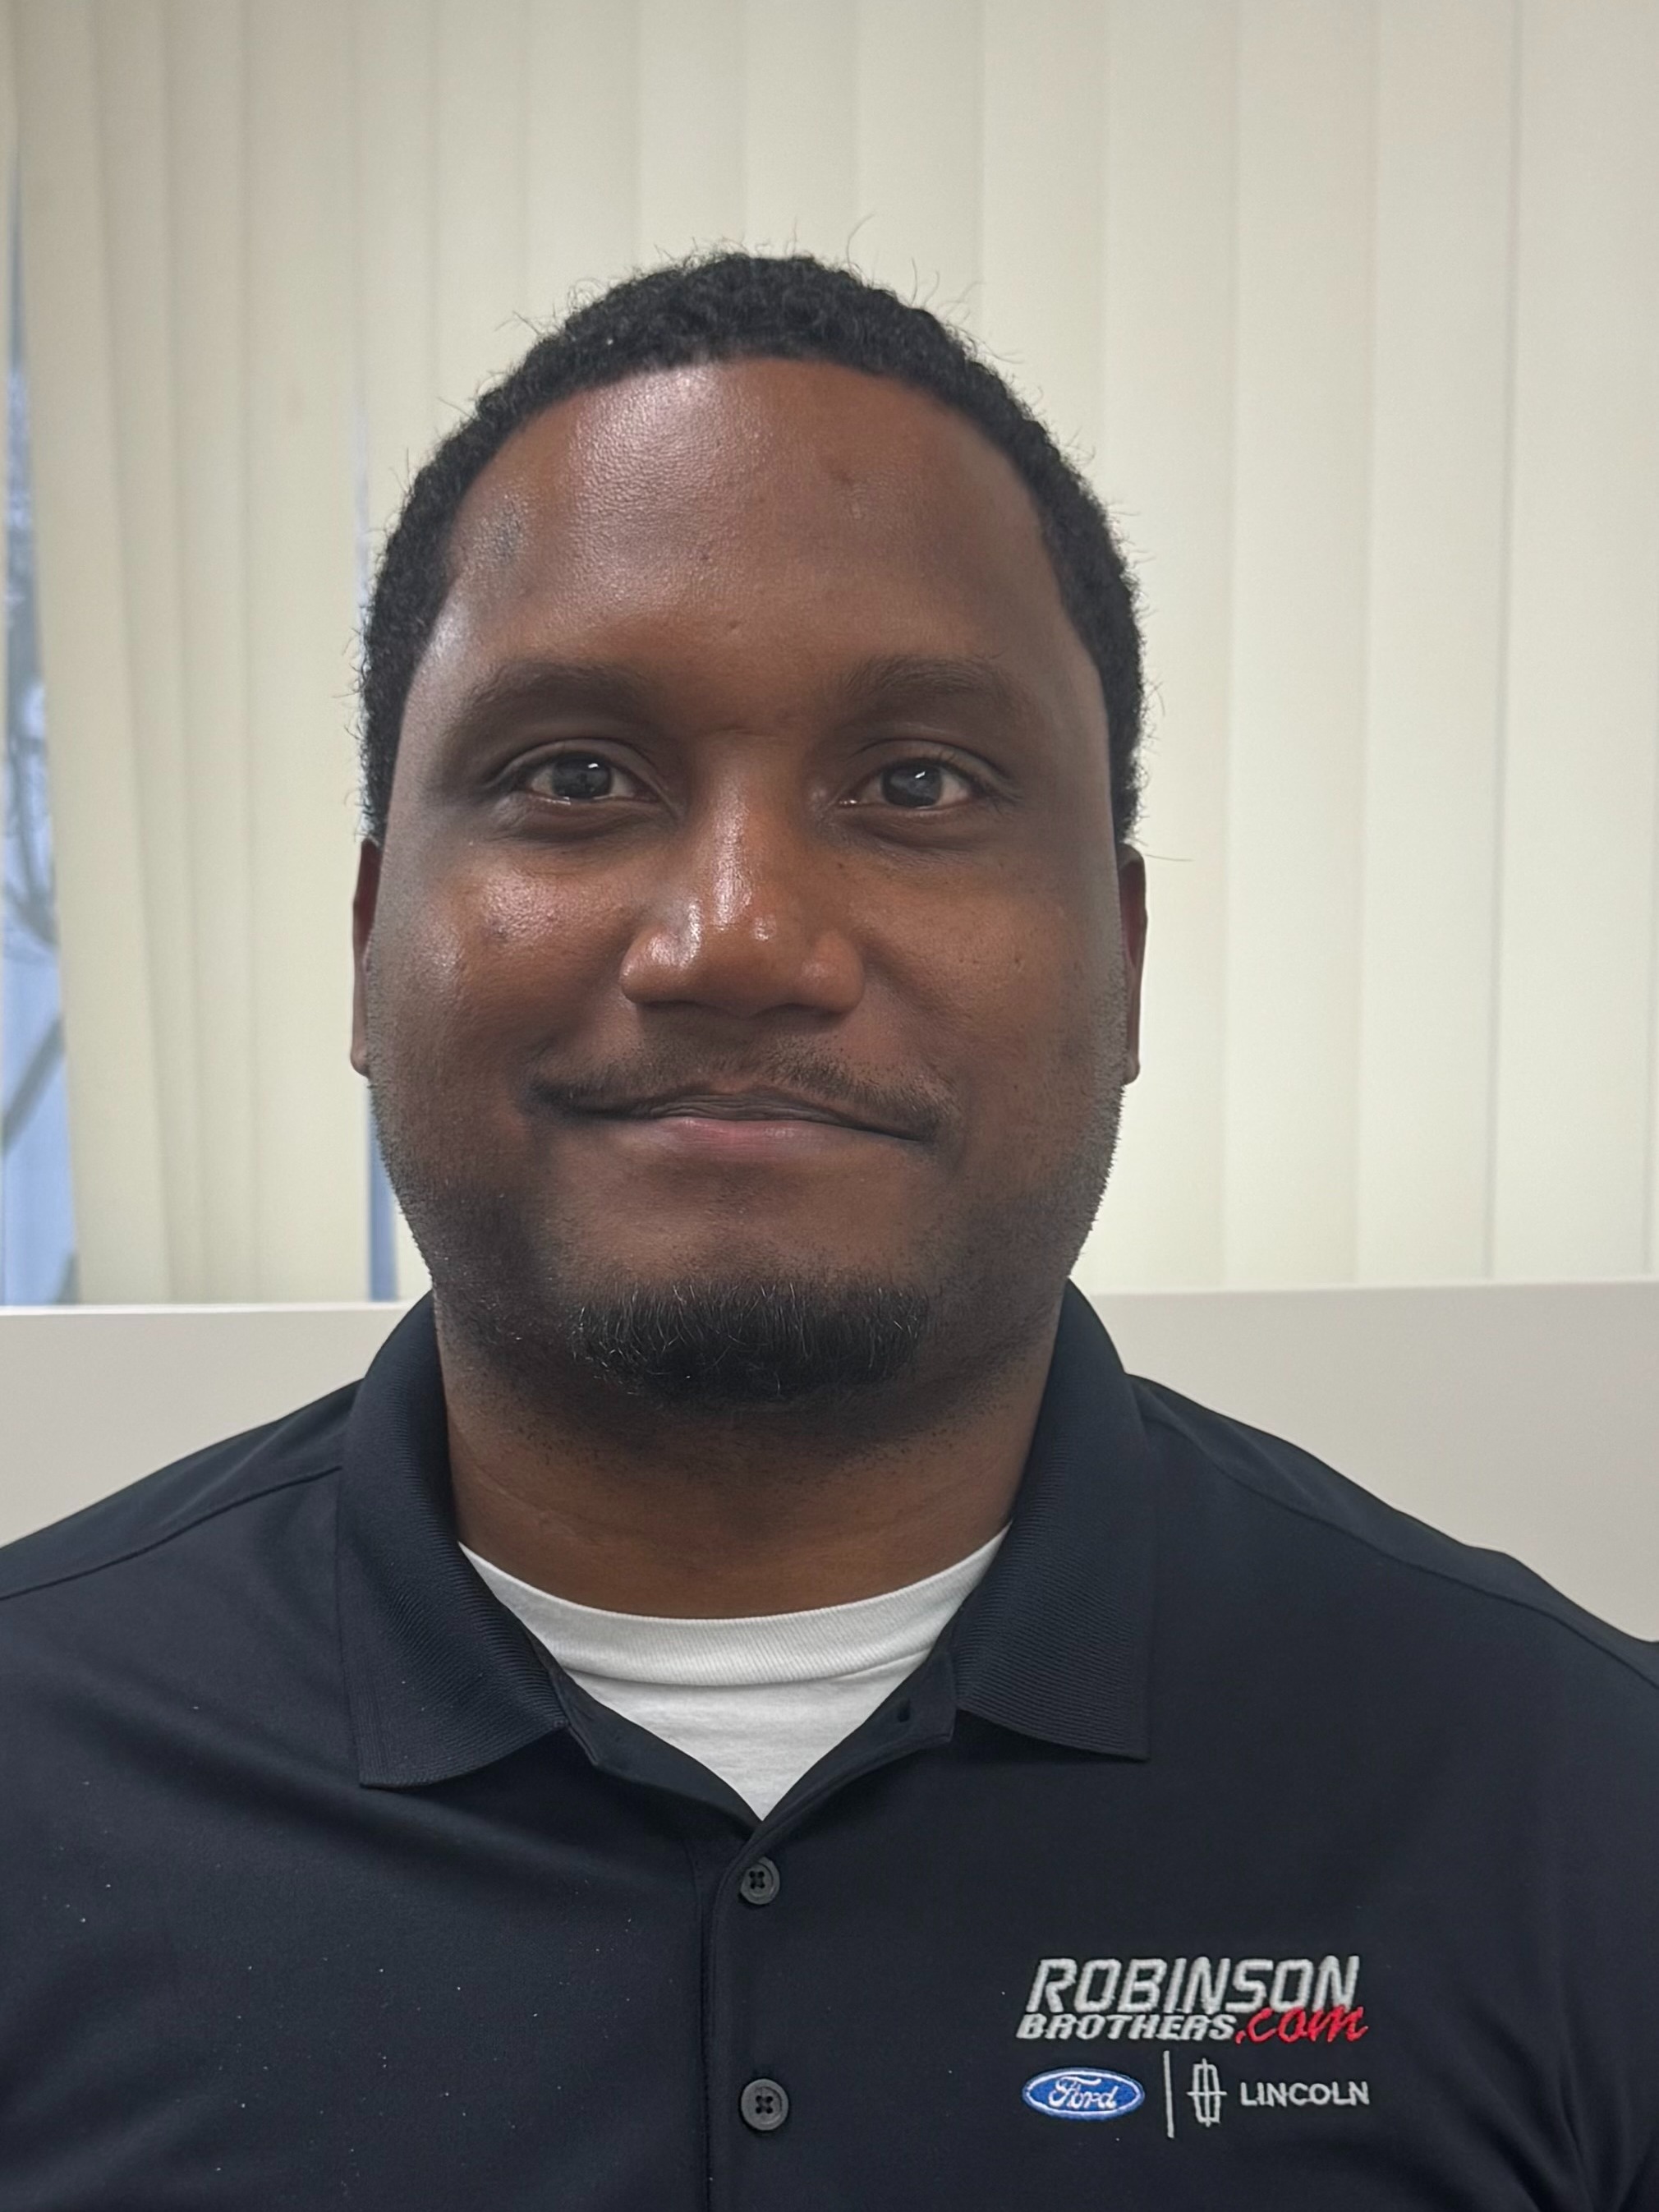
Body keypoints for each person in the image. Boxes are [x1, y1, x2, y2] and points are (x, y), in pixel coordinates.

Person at [2, 253, 1655, 2211]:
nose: (738, 939)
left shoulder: (1572, 1808)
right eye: (575, 776)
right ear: (368, 943)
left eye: (916, 782)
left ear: (1125, 963)